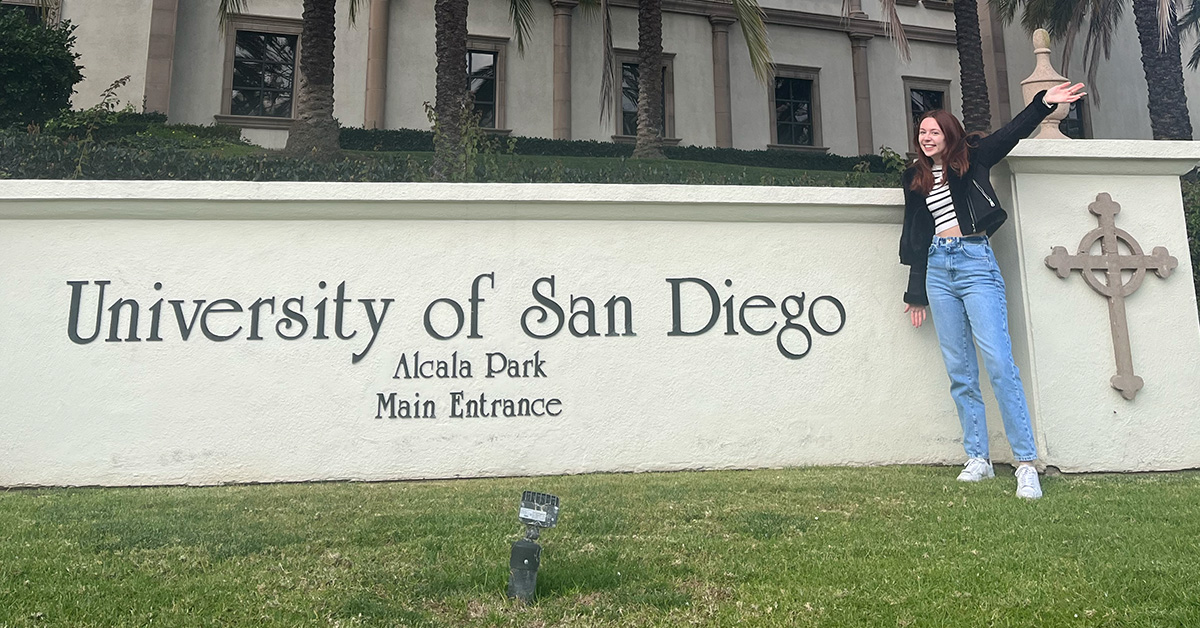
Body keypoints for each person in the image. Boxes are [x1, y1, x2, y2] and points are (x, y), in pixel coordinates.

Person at [899, 82, 1086, 499]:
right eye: (922, 133)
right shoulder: (915, 176)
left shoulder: (973, 157)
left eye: (934, 131)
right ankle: (978, 459)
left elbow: (1011, 133)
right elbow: (913, 235)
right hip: (936, 269)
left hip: (975, 263)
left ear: (950, 134)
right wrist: (916, 292)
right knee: (960, 370)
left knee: (1000, 363)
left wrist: (1043, 104)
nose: (927, 138)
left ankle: (1025, 464)